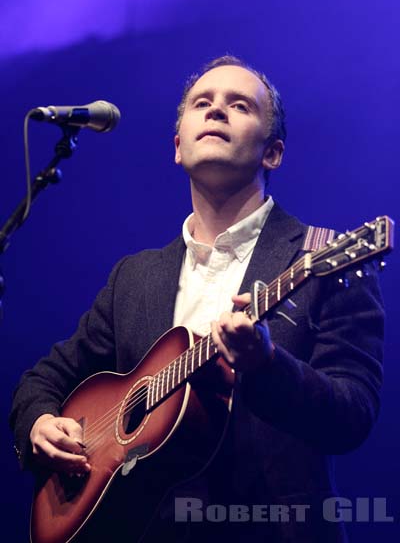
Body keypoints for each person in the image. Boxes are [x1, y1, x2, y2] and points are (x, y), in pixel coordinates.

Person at [10, 56, 384, 542]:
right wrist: (39, 422)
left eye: (239, 105)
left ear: (272, 153)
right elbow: (44, 378)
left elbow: (352, 415)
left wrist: (266, 363)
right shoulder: (135, 276)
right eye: (202, 103)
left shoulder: (324, 258)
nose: (216, 112)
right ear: (176, 148)